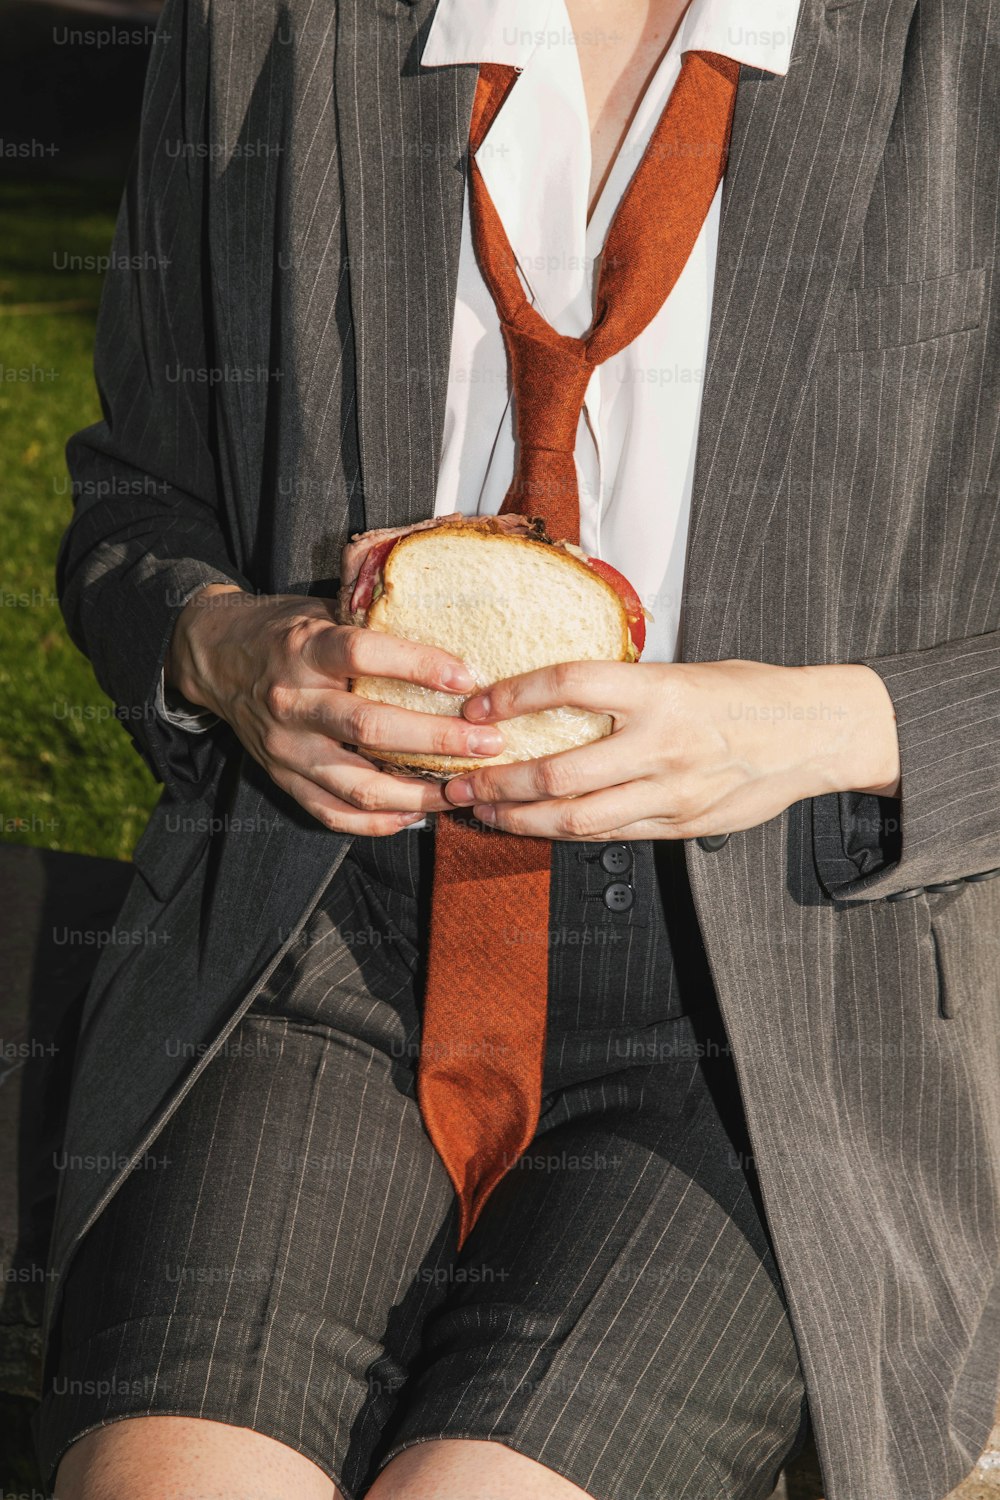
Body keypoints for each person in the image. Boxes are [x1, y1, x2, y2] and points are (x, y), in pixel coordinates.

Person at [32, 0, 1000, 1497]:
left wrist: (809, 728)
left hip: (771, 1022)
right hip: (321, 945)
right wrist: (227, 654)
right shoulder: (270, 25)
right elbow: (133, 502)